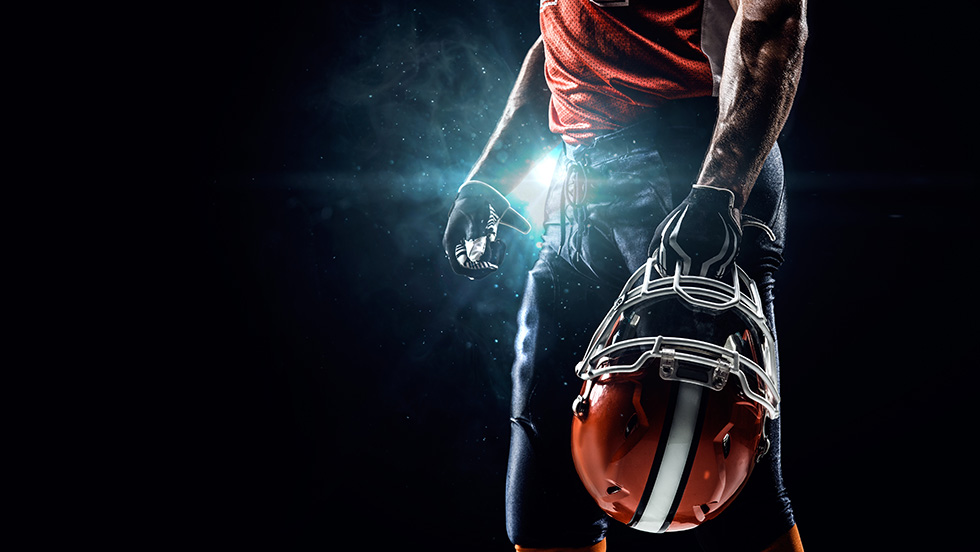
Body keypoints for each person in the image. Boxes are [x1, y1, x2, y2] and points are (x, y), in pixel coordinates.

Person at [443, 1, 808, 551]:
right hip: (581, 183)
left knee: (719, 470)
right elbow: (567, 36)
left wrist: (720, 190)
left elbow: (770, 21)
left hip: (694, 163)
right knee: (549, 482)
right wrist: (491, 176)